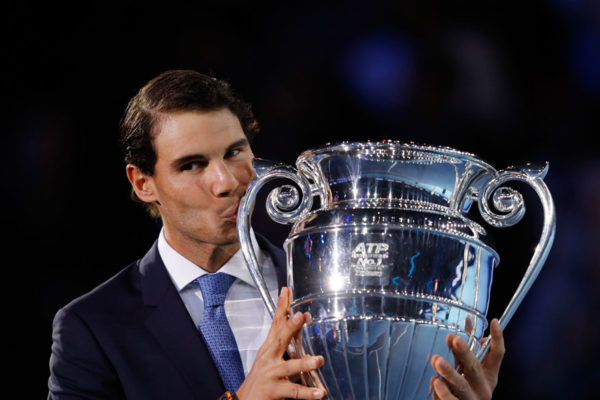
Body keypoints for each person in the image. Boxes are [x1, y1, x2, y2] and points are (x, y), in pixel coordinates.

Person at [48, 69, 505, 400]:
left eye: (235, 153)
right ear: (142, 182)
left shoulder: (343, 292)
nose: (226, 181)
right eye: (193, 165)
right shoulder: (94, 328)